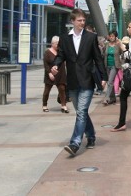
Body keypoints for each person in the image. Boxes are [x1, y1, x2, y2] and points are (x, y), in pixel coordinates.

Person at [53, 9, 107, 157]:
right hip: (72, 81)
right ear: (72, 21)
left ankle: (75, 142)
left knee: (82, 111)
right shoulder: (64, 38)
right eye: (79, 20)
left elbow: (97, 58)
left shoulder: (91, 37)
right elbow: (61, 55)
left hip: (87, 80)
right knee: (80, 112)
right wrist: (56, 65)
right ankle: (91, 136)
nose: (82, 23)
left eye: (84, 20)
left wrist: (104, 77)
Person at [42, 36, 68, 113]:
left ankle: (63, 105)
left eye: (59, 44)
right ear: (52, 44)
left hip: (61, 74)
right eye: (56, 44)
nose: (58, 45)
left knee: (62, 89)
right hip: (50, 74)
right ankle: (44, 105)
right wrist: (49, 73)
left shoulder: (61, 52)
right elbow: (46, 64)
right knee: (47, 91)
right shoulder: (47, 52)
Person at [103, 30, 125, 105]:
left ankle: (106, 98)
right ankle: (113, 98)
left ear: (116, 37)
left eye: (113, 36)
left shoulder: (118, 45)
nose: (111, 37)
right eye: (110, 36)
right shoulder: (106, 44)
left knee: (110, 81)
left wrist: (121, 63)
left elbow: (123, 55)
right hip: (107, 65)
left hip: (115, 66)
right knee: (110, 82)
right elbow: (103, 54)